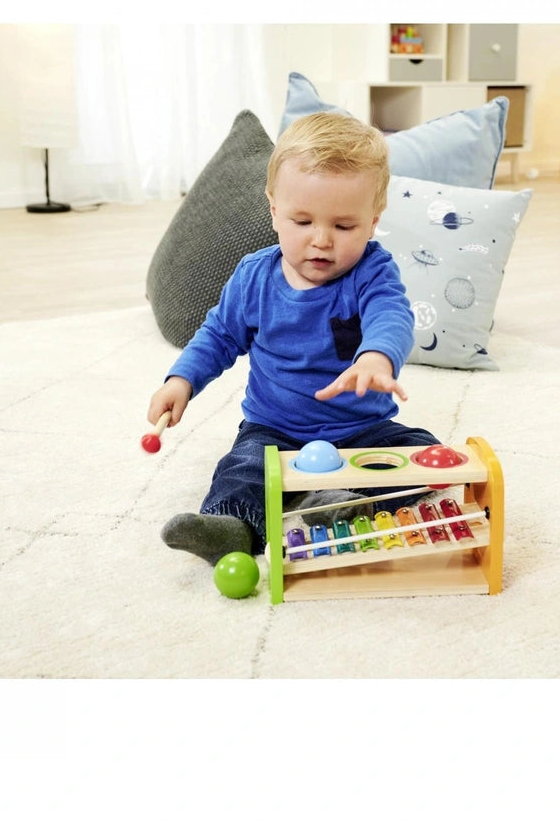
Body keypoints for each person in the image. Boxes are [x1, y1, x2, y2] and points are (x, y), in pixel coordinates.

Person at [147, 111, 438, 564]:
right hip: (275, 430)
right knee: (242, 470)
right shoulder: (253, 277)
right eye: (303, 222)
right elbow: (219, 335)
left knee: (422, 456)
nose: (322, 240)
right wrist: (181, 380)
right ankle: (233, 529)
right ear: (274, 211)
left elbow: (391, 315)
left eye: (344, 227)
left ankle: (348, 507)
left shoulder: (373, 270)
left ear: (373, 220)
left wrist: (377, 358)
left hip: (362, 429)